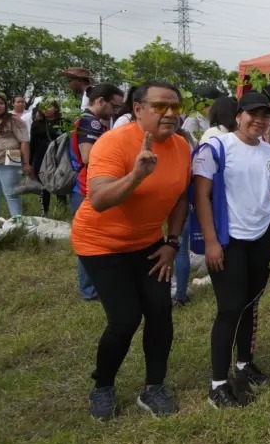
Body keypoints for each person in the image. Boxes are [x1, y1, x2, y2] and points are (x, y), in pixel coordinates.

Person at [73, 80, 192, 420]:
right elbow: (99, 199)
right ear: (138, 109)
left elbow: (180, 197)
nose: (169, 113)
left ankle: (154, 386)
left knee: (160, 311)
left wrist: (172, 242)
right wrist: (137, 175)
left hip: (148, 243)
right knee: (125, 318)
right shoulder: (113, 143)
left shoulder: (181, 146)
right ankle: (103, 386)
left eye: (175, 106)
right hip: (101, 244)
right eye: (160, 106)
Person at [193, 92, 270, 408]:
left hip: (262, 237)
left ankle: (244, 364)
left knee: (250, 304)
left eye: (265, 116)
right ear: (238, 116)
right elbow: (202, 197)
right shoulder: (216, 148)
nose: (259, 121)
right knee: (230, 308)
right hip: (229, 239)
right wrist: (211, 242)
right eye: (252, 114)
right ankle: (218, 383)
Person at [70, 83, 125, 301]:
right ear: (100, 101)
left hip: (89, 186)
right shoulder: (90, 122)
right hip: (88, 187)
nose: (116, 111)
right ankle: (90, 290)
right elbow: (88, 156)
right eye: (114, 106)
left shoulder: (92, 121)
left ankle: (94, 287)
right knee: (90, 241)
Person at [0, 91, 33, 220]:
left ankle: (17, 221)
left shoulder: (13, 120)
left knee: (11, 192)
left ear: (5, 105)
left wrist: (26, 163)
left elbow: (24, 141)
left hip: (10, 157)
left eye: (1, 103)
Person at [29, 101, 67, 217]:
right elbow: (32, 143)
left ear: (56, 108)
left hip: (58, 156)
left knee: (60, 183)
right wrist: (30, 162)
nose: (46, 109)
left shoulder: (64, 122)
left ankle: (62, 211)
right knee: (43, 184)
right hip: (41, 156)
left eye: (49, 106)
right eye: (43, 107)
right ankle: (44, 212)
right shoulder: (37, 124)